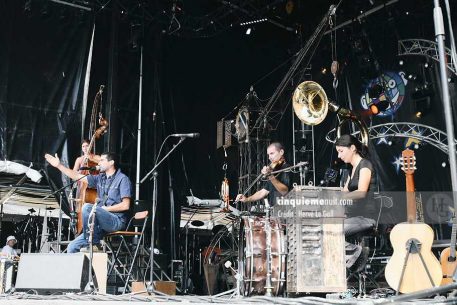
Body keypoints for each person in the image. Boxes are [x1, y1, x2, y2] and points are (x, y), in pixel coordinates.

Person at [45, 151, 132, 253]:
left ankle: (92, 240)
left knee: (87, 207)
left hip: (116, 220)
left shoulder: (123, 179)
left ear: (111, 162)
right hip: (99, 225)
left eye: (102, 160)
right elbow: (77, 176)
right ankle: (91, 239)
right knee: (71, 247)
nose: (98, 163)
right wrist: (59, 166)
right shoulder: (100, 178)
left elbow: (126, 205)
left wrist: (105, 209)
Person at [335, 134, 377, 270]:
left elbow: (361, 192)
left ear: (352, 148)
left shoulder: (365, 164)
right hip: (354, 217)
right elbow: (344, 193)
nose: (339, 156)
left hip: (366, 217)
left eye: (341, 151)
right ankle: (353, 256)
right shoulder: (350, 170)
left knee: (332, 231)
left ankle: (356, 253)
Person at [235, 142, 292, 207]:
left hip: (285, 210)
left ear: (281, 152)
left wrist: (270, 176)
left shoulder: (287, 167)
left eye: (272, 153)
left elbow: (285, 191)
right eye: (268, 155)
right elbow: (263, 192)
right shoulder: (274, 171)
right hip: (274, 210)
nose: (269, 158)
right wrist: (247, 199)